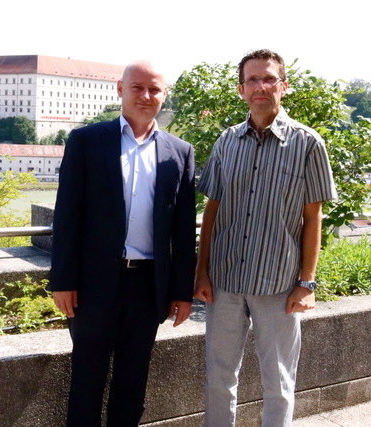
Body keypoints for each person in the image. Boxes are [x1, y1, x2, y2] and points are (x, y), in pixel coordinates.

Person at [194, 49, 337, 426]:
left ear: (283, 86)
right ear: (241, 90)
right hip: (224, 281)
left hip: (279, 283)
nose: (261, 86)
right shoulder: (226, 142)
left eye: (269, 78)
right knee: (219, 380)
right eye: (252, 80)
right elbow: (212, 211)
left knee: (279, 382)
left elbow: (313, 217)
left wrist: (307, 283)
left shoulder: (308, 144)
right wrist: (202, 272)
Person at [49, 61, 196, 426]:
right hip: (93, 282)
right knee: (87, 378)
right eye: (137, 88)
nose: (146, 96)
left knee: (133, 382)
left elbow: (182, 230)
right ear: (120, 89)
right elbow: (67, 215)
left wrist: (182, 292)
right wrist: (62, 281)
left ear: (164, 95)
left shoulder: (180, 152)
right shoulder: (86, 141)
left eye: (154, 89)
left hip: (148, 286)